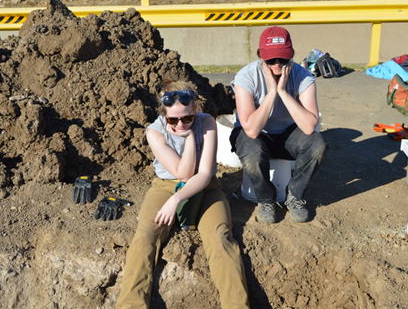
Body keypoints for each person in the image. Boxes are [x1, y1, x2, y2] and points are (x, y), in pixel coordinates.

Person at [116, 80, 250, 309]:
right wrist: (172, 195)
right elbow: (182, 172)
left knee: (220, 237)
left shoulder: (207, 122)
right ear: (163, 115)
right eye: (173, 119)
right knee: (146, 235)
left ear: (195, 110)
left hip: (205, 187)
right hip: (165, 186)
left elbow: (203, 173)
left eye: (187, 118)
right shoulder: (154, 131)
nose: (180, 124)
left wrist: (176, 199)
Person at [230, 26, 327, 224]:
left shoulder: (303, 76)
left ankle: (295, 195)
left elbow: (309, 127)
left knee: (317, 145)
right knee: (251, 150)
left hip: (288, 134)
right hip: (256, 134)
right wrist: (272, 92)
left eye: (282, 59)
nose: (276, 64)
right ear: (260, 56)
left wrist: (282, 91)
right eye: (270, 59)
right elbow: (252, 129)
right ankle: (266, 199)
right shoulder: (245, 77)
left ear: (291, 55)